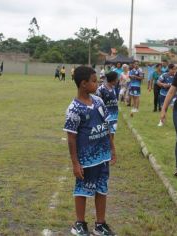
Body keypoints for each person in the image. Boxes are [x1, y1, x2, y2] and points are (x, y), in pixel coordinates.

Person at [63, 66, 117, 236]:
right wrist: (75, 163)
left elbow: (107, 125)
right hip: (86, 160)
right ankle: (79, 223)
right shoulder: (74, 109)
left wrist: (112, 148)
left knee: (102, 189)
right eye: (94, 81)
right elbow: (71, 138)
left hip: (102, 156)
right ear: (84, 84)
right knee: (82, 190)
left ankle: (100, 224)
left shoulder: (99, 102)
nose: (97, 83)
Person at [96, 71, 119, 149]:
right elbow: (97, 103)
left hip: (114, 116)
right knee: (105, 134)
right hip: (105, 116)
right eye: (116, 79)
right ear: (112, 80)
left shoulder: (113, 88)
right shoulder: (101, 89)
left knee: (112, 133)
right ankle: (105, 149)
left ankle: (109, 150)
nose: (117, 80)